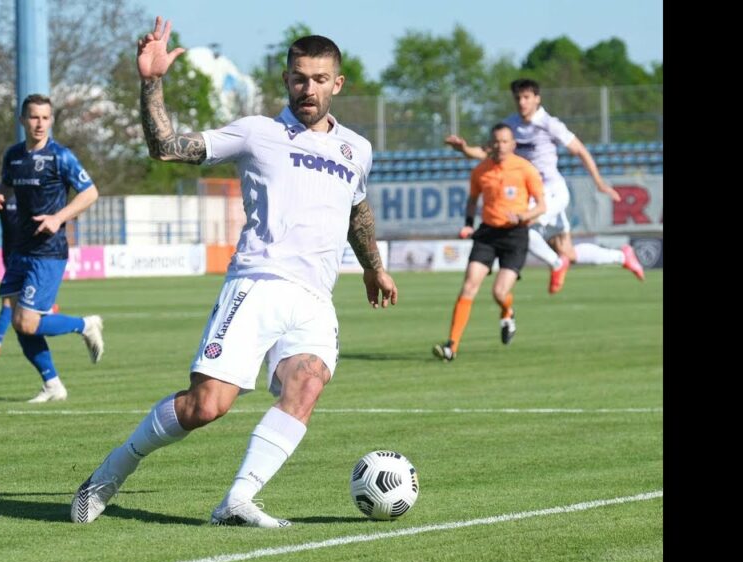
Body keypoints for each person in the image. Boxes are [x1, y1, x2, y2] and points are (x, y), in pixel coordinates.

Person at [71, 17, 398, 528]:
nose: (306, 88)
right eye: (297, 77)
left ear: (338, 83)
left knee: (307, 383)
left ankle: (238, 500)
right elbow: (166, 147)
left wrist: (373, 267)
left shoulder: (357, 149)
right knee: (205, 407)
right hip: (257, 283)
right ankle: (114, 468)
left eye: (317, 79)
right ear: (285, 79)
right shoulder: (257, 133)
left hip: (315, 297)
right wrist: (151, 81)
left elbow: (358, 210)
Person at [445, 78, 645, 294]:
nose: (522, 102)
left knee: (520, 229)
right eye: (518, 98)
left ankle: (557, 264)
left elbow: (580, 150)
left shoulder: (550, 124)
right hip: (533, 195)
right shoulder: (510, 126)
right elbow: (486, 152)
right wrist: (464, 149)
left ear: (537, 99)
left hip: (553, 192)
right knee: (568, 252)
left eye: (526, 97)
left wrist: (599, 183)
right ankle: (623, 255)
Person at [0, 93, 104, 403]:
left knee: (27, 321)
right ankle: (53, 385)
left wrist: (58, 218)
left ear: (51, 121)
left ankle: (86, 325)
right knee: (19, 322)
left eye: (45, 118)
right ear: (23, 120)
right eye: (34, 117)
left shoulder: (60, 156)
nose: (39, 123)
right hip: (19, 251)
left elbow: (90, 193)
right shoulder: (13, 156)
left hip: (48, 251)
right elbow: (3, 189)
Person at [433, 123, 546, 362]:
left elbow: (542, 205)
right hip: (487, 234)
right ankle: (451, 346)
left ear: (513, 144)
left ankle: (507, 311)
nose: (500, 145)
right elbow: (473, 200)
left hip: (516, 234)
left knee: (499, 292)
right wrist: (468, 223)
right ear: (490, 144)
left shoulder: (526, 169)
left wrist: (524, 216)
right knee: (469, 285)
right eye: (496, 141)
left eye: (505, 141)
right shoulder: (481, 171)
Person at [0, 188, 59, 358]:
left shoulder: (35, 186)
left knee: (10, 300)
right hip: (10, 253)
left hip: (34, 252)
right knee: (14, 301)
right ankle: (49, 311)